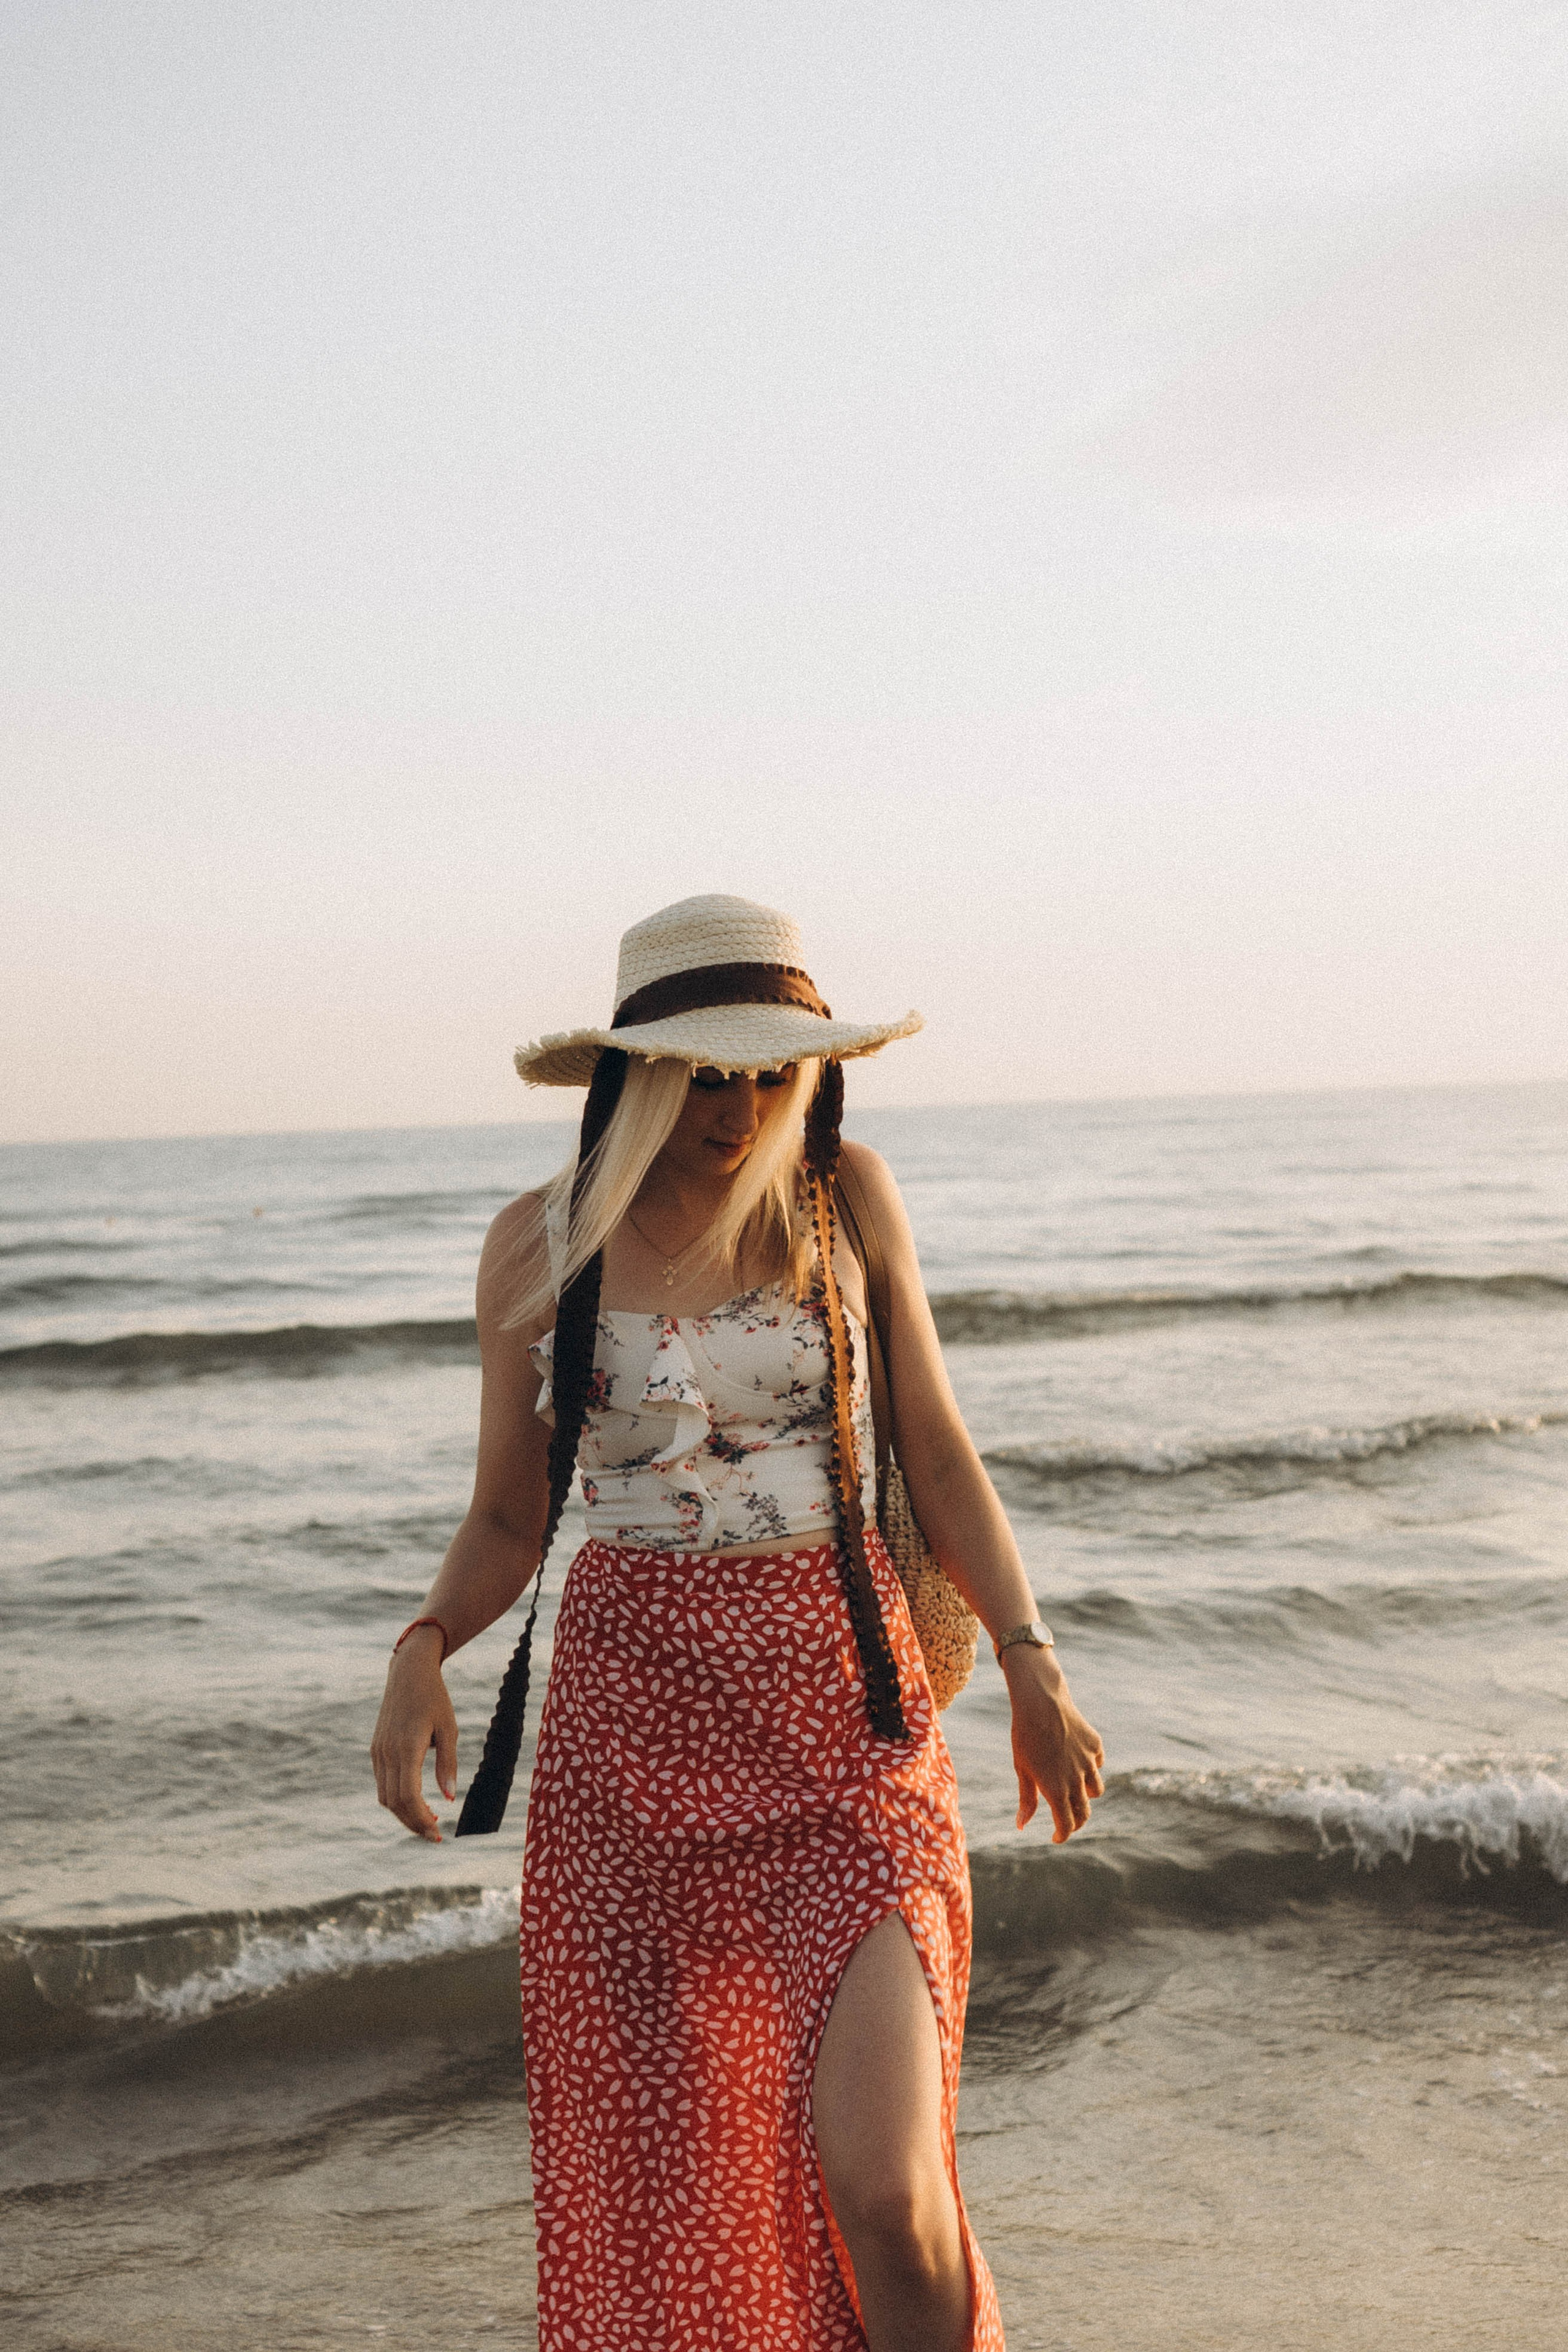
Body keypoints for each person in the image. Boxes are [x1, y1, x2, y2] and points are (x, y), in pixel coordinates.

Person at [371, 894, 1104, 2352]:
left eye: (770, 1072)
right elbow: (509, 1517)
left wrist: (1028, 1656)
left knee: (887, 2187)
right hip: (632, 1745)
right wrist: (420, 1648)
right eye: (708, 1073)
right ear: (636, 1073)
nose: (741, 1107)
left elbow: (936, 1449)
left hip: (848, 1725)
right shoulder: (538, 1246)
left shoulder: (846, 1200)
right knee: (676, 2188)